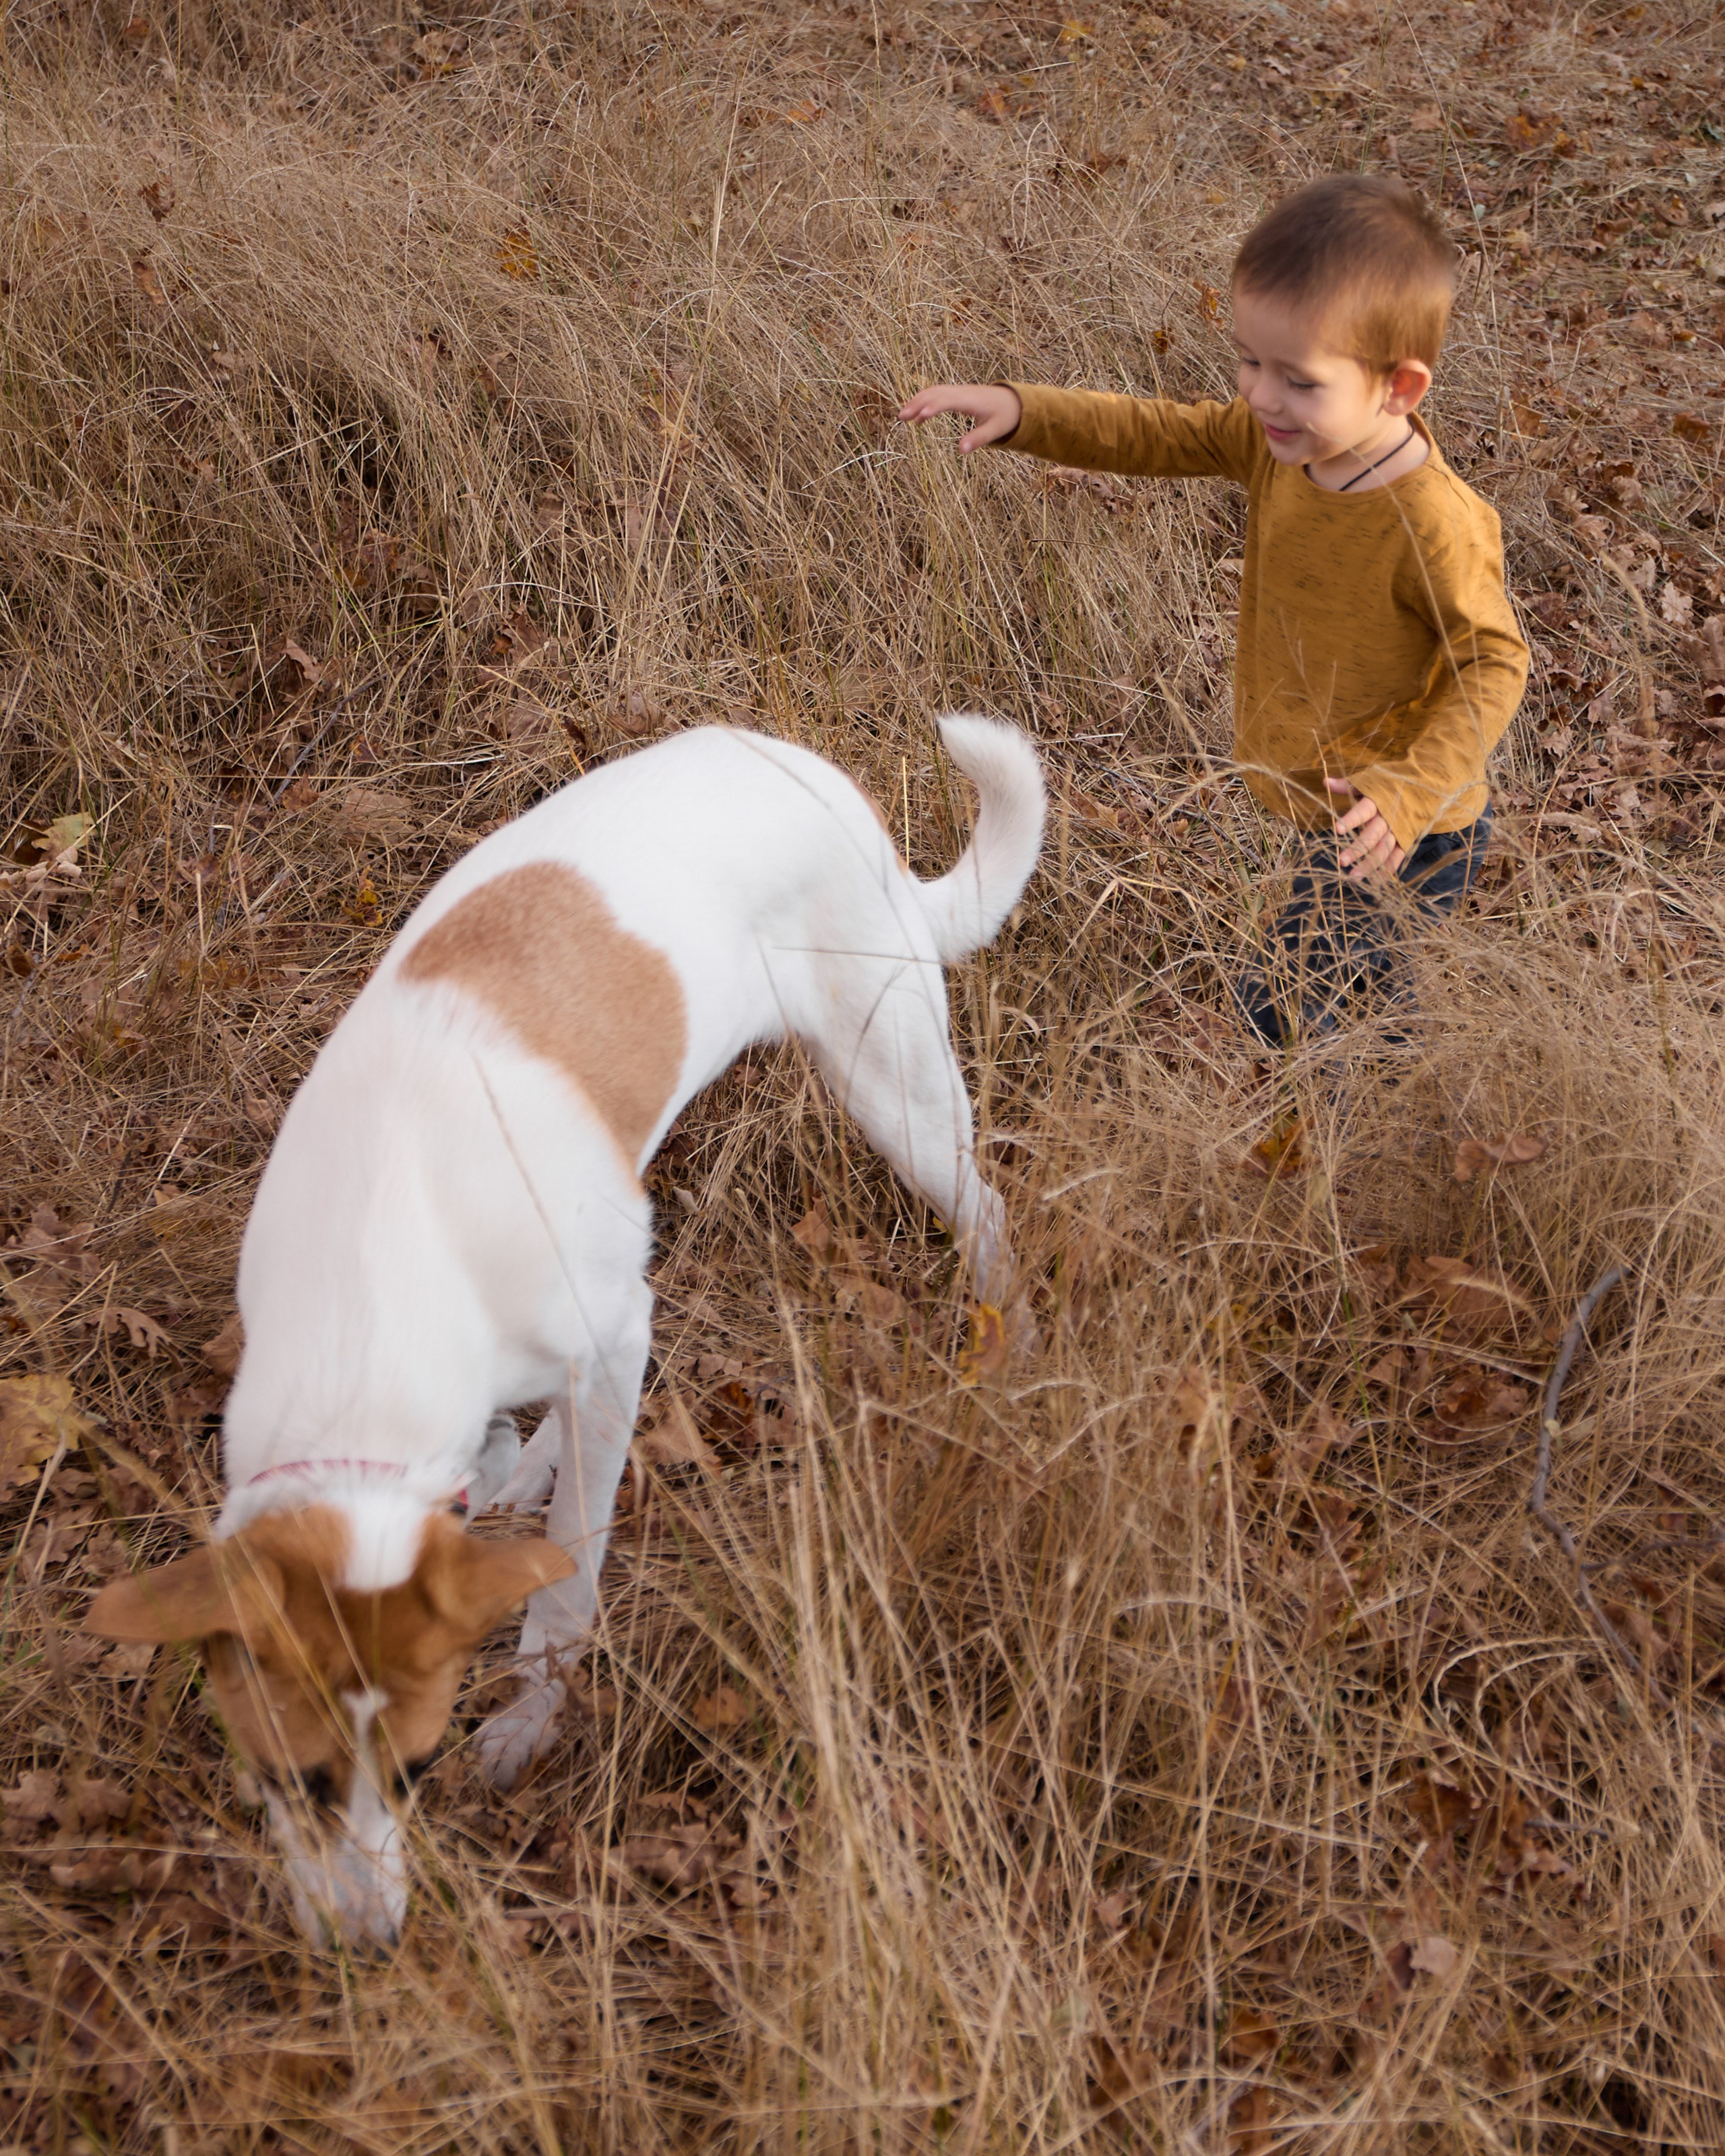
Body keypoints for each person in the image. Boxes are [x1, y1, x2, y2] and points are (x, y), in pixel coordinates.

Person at [900, 173, 1529, 1049]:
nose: (1263, 397)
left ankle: (1355, 1138)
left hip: (1405, 828)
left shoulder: (1432, 520)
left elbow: (1495, 660)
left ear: (1399, 388)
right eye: (1251, 362)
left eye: (1299, 380)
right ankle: (1362, 1087)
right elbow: (1156, 431)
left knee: (1306, 1007)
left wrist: (1409, 793)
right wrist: (1023, 413)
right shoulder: (1284, 448)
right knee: (1340, 996)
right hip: (1332, 805)